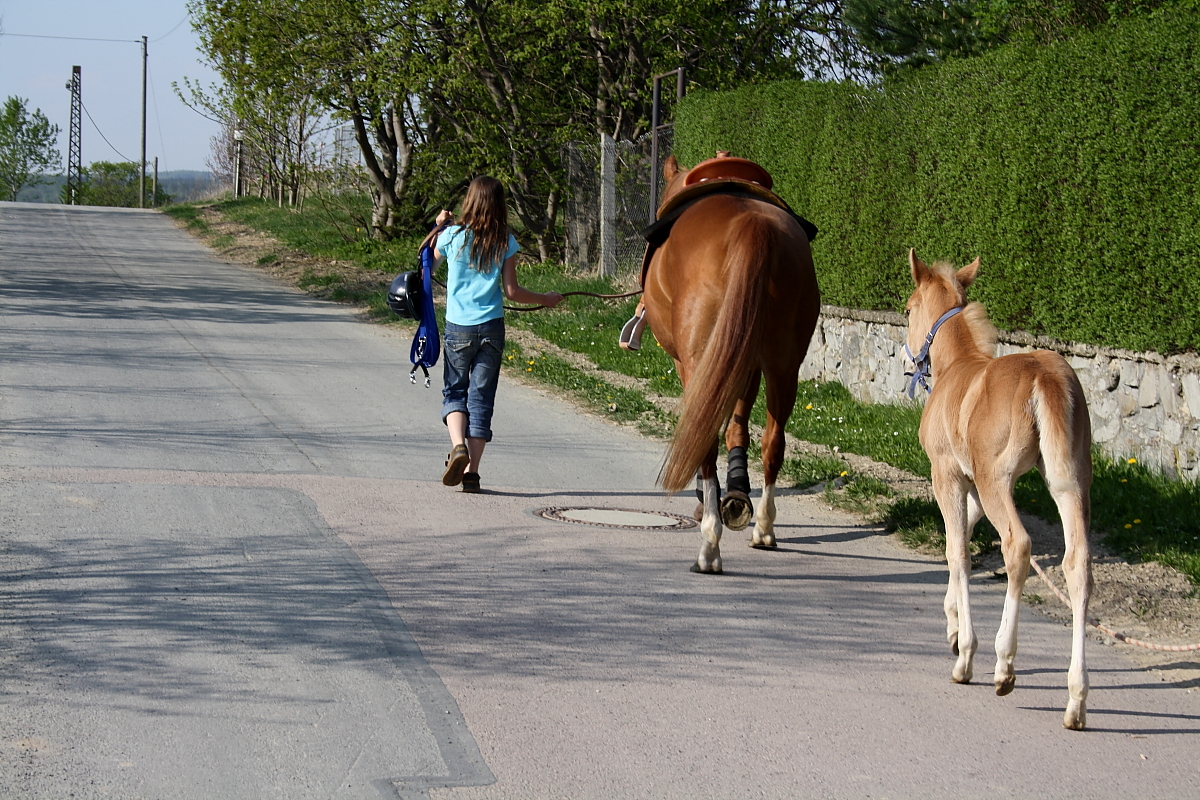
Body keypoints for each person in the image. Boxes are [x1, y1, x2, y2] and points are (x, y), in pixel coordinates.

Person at [433, 176, 563, 493]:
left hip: (458, 328)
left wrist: (439, 227)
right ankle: (473, 474)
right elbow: (512, 291)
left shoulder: (452, 237)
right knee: (481, 400)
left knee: (454, 392)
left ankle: (457, 446)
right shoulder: (505, 240)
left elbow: (428, 265)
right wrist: (545, 299)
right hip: (491, 328)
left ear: (470, 202)